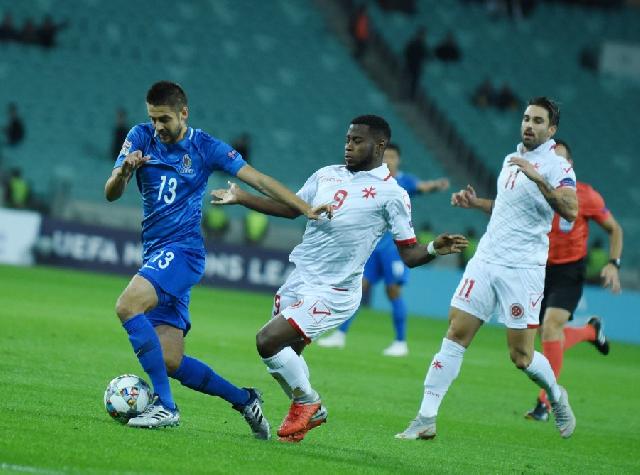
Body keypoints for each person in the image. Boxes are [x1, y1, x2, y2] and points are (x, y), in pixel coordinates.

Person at [211, 115, 468, 442]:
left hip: (335, 291)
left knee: (267, 341)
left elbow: (410, 254)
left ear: (379, 146)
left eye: (357, 141)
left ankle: (308, 402)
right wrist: (242, 197)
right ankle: (305, 405)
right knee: (286, 355)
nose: (348, 146)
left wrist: (433, 247)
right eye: (347, 139)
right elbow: (292, 209)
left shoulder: (392, 194)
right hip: (301, 279)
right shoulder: (326, 174)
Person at [104, 80, 326, 436]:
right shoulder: (140, 136)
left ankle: (166, 407)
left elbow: (257, 179)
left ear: (183, 113)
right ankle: (244, 399)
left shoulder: (205, 147)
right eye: (153, 118)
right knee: (170, 361)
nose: (158, 126)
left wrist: (306, 208)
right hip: (156, 253)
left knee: (127, 306)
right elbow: (111, 193)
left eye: (164, 119)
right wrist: (123, 171)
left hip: (184, 252)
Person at [396, 97, 579, 440]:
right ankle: (426, 418)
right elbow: (508, 208)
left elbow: (570, 210)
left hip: (522, 268)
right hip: (486, 260)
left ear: (551, 129)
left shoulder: (557, 167)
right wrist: (475, 202)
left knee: (521, 356)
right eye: (526, 118)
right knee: (455, 334)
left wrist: (539, 179)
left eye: (538, 121)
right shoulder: (512, 159)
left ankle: (556, 396)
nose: (529, 125)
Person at [316, 143, 450, 356]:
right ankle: (339, 335)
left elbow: (422, 187)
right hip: (373, 248)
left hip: (395, 249)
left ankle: (400, 342)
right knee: (357, 289)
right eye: (385, 156)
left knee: (393, 291)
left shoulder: (404, 181)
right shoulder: (372, 180)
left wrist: (436, 184)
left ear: (399, 160)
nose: (388, 160)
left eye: (392, 156)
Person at [524, 139, 623, 422]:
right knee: (542, 336)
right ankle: (591, 332)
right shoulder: (532, 191)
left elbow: (614, 229)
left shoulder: (585, 196)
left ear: (570, 167)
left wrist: (613, 264)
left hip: (569, 271)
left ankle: (546, 403)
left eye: (561, 161)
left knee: (551, 327)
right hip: (538, 268)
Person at [403, 27, 429, 99]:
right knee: (406, 81)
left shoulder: (423, 46)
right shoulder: (412, 44)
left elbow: (426, 56)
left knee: (414, 84)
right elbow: (406, 53)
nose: (422, 37)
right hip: (409, 65)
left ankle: (411, 97)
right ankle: (403, 96)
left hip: (417, 67)